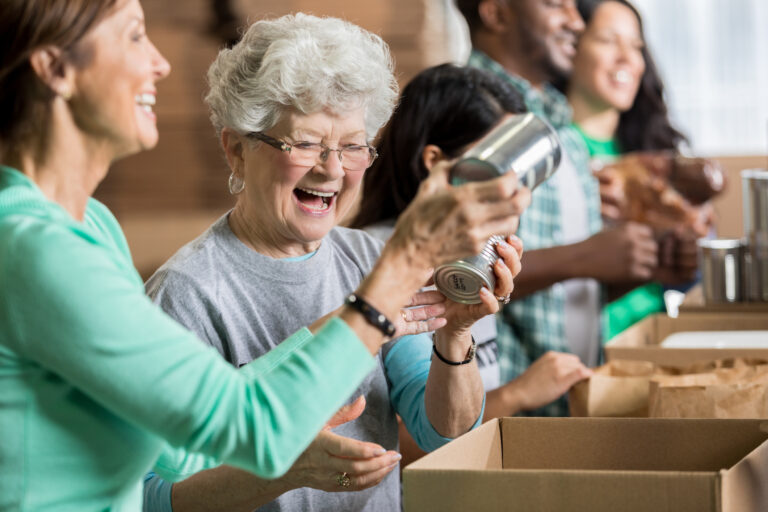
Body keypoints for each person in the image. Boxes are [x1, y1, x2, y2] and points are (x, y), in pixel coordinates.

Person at [0, 2, 527, 509]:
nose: (160, 62)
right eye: (135, 34)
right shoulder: (41, 251)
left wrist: (442, 328)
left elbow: (186, 440)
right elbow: (240, 435)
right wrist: (400, 266)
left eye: (353, 146)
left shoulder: (92, 223)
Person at [352, 63, 592, 425]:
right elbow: (390, 436)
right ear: (435, 162)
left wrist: (459, 328)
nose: (509, 187)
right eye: (497, 160)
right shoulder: (378, 257)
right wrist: (518, 394)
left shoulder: (473, 255)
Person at [455, 0, 663, 416]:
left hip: (567, 406)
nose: (575, 21)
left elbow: (562, 295)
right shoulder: (467, 118)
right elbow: (459, 274)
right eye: (555, 4)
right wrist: (585, 257)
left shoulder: (560, 127)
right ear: (496, 13)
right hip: (506, 419)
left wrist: (637, 266)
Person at [565, 0, 694, 339]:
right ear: (570, 47)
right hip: (588, 342)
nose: (627, 58)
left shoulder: (650, 148)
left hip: (656, 332)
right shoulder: (557, 152)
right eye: (608, 41)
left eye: (635, 46)